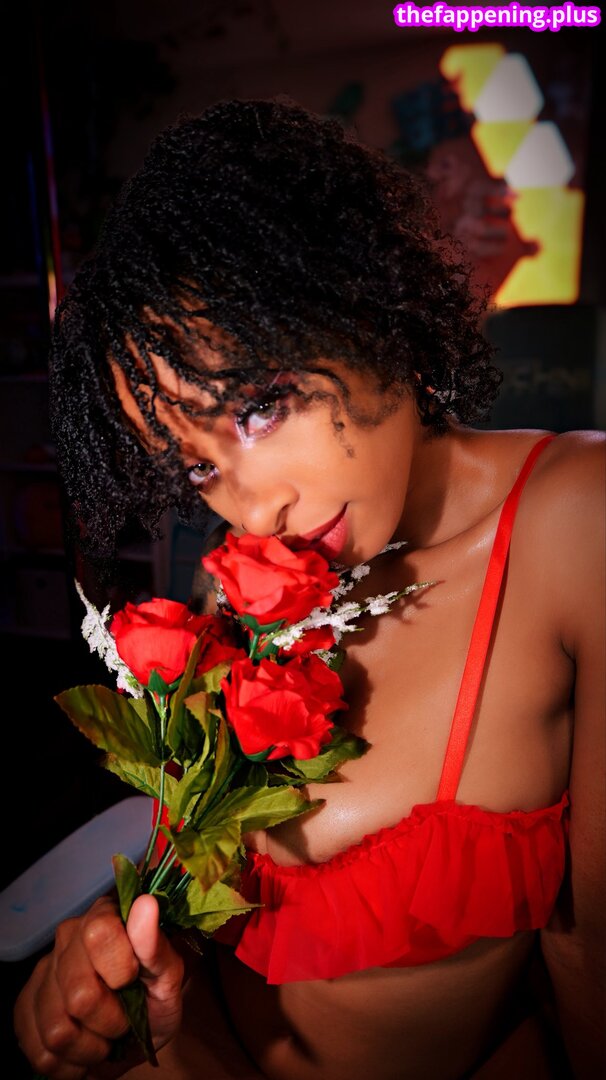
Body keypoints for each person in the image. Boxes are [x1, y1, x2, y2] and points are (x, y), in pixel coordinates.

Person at [13, 96, 604, 1080]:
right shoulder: (247, 594)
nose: (255, 508)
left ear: (355, 301)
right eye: (199, 466)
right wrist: (110, 961)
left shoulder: (575, 520)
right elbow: (199, 892)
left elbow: (590, 954)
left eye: (258, 407)